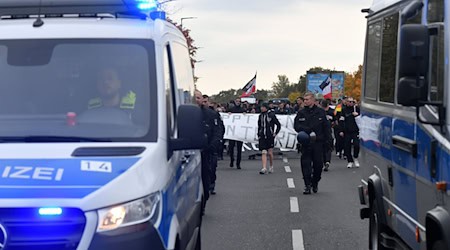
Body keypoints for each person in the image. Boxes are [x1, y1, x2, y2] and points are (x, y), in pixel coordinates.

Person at [294, 92, 331, 194]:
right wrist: (308, 130)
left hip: (318, 143)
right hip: (306, 143)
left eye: (307, 99)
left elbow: (326, 128)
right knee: (305, 165)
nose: (305, 101)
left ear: (313, 100)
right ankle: (307, 185)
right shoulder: (301, 112)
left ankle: (315, 182)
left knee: (318, 166)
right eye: (304, 99)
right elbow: (297, 126)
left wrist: (329, 142)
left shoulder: (320, 112)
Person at [194, 90, 223, 213]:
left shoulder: (211, 115)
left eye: (199, 98)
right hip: (189, 153)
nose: (197, 100)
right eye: (194, 97)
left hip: (206, 153)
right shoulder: (182, 114)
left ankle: (204, 201)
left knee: (206, 180)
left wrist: (212, 146)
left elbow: (218, 132)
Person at [202, 94, 225, 195]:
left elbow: (219, 129)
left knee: (212, 167)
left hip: (212, 147)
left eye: (206, 101)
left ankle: (212, 184)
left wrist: (216, 143)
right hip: (202, 147)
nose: (204, 103)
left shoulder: (214, 114)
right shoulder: (196, 114)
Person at [257, 103, 281, 174]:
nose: (262, 109)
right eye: (261, 107)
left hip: (269, 136)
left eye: (263, 107)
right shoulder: (260, 116)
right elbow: (259, 126)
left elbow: (278, 124)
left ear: (266, 108)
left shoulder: (271, 115)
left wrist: (275, 133)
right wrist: (259, 134)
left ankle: (271, 166)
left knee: (270, 153)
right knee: (264, 151)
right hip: (262, 136)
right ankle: (264, 167)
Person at [342, 97, 360, 168]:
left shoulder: (357, 109)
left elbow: (361, 118)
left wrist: (357, 114)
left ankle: (355, 157)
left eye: (352, 102)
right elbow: (342, 120)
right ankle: (350, 161)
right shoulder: (344, 110)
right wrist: (341, 130)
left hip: (355, 130)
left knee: (356, 145)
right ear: (346, 102)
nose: (351, 103)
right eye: (349, 102)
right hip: (347, 131)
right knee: (347, 146)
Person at [228, 98, 246, 169]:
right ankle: (232, 160)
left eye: (239, 101)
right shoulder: (231, 109)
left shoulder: (242, 110)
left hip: (239, 132)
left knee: (239, 149)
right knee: (231, 148)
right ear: (235, 102)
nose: (238, 102)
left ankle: (238, 163)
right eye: (237, 101)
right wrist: (229, 114)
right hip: (232, 132)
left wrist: (245, 115)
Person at [320, 99, 335, 172]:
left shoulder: (332, 111)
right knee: (322, 148)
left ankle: (327, 161)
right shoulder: (319, 112)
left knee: (328, 147)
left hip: (329, 131)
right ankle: (324, 162)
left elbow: (336, 120)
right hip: (321, 132)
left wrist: (333, 124)